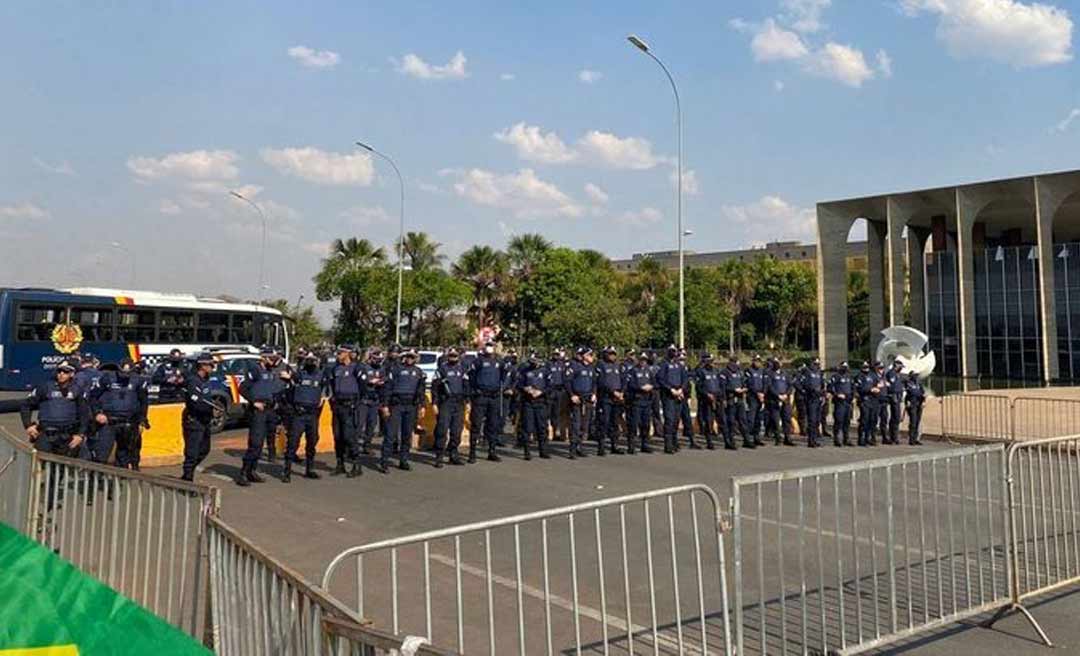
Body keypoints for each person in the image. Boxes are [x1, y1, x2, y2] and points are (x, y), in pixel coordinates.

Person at [237, 346, 291, 486]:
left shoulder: (270, 371)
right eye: (271, 358)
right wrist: (254, 401)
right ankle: (243, 472)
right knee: (255, 443)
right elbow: (242, 388)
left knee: (261, 445)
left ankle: (252, 471)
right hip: (258, 411)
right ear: (263, 358)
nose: (273, 361)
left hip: (270, 410)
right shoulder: (255, 370)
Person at [21, 360, 89, 458]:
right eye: (59, 371)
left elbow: (84, 414)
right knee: (41, 464)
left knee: (64, 468)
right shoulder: (45, 387)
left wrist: (80, 435)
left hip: (68, 436)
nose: (61, 374)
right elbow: (26, 405)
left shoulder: (77, 390)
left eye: (65, 371)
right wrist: (28, 425)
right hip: (46, 435)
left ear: (72, 374)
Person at [88, 358, 148, 467]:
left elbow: (143, 402)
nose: (124, 376)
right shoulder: (107, 378)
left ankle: (121, 481)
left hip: (128, 422)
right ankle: (97, 481)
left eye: (128, 373)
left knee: (124, 455)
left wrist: (142, 419)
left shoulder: (139, 381)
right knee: (102, 454)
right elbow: (93, 397)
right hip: (109, 421)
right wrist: (97, 413)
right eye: (122, 372)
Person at [380, 348, 427, 472]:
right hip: (396, 405)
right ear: (404, 357)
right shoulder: (396, 370)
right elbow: (388, 388)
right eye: (408, 356)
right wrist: (385, 405)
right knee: (391, 434)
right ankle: (384, 461)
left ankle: (403, 460)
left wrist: (422, 406)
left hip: (411, 406)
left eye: (412, 357)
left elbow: (421, 391)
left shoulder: (419, 372)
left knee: (407, 435)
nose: (410, 359)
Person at [284, 353, 325, 482]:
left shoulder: (321, 375)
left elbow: (325, 390)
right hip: (299, 414)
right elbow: (289, 388)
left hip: (312, 414)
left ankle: (310, 469)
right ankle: (287, 471)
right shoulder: (299, 374)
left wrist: (322, 398)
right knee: (293, 442)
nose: (311, 364)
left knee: (312, 442)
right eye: (309, 361)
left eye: (313, 361)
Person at [326, 345, 365, 478]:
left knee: (349, 436)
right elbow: (331, 384)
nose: (338, 355)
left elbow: (363, 386)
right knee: (337, 436)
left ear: (348, 353)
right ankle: (340, 464)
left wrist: (357, 402)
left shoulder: (357, 367)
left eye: (340, 353)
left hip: (350, 406)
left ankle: (356, 464)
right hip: (337, 405)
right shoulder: (335, 369)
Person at [179, 353, 219, 481]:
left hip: (205, 420)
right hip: (194, 419)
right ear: (202, 365)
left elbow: (207, 399)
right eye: (211, 365)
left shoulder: (206, 379)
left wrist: (213, 410)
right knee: (192, 452)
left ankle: (187, 473)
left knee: (205, 449)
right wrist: (210, 410)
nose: (213, 367)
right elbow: (196, 403)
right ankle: (187, 479)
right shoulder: (193, 381)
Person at [468, 342, 504, 463]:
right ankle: (472, 453)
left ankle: (492, 451)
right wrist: (475, 391)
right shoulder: (478, 361)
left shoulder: (499, 361)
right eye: (488, 345)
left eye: (492, 345)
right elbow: (471, 377)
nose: (489, 347)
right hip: (480, 396)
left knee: (493, 425)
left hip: (494, 397)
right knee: (476, 424)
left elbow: (504, 376)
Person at [432, 347, 468, 467]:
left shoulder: (462, 368)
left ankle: (453, 454)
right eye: (451, 355)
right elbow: (435, 388)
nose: (453, 358)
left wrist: (467, 401)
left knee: (456, 431)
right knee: (442, 429)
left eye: (455, 355)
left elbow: (466, 385)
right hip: (445, 402)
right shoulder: (442, 369)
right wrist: (435, 403)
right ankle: (439, 456)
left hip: (459, 402)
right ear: (448, 356)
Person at [517, 352, 550, 460]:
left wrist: (541, 392)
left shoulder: (545, 371)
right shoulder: (525, 370)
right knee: (527, 427)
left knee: (542, 427)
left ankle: (543, 451)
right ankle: (527, 451)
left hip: (541, 401)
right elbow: (519, 384)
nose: (536, 364)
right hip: (528, 402)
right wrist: (526, 389)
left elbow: (550, 386)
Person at [656, 346, 688, 454]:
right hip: (668, 396)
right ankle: (668, 445)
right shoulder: (663, 364)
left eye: (675, 351)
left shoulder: (679, 365)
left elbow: (685, 378)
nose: (673, 353)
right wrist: (671, 390)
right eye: (671, 351)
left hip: (678, 395)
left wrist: (681, 390)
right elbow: (660, 379)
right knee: (669, 420)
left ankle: (675, 442)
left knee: (676, 420)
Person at [566, 347, 597, 459]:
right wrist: (572, 395)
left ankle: (580, 446)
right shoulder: (574, 366)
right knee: (576, 424)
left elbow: (594, 382)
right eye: (590, 355)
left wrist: (594, 393)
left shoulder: (591, 368)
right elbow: (567, 381)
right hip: (577, 399)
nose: (592, 357)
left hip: (587, 399)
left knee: (584, 425)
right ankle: (572, 449)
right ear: (584, 356)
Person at [595, 347, 627, 455]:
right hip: (606, 397)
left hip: (617, 398)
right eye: (610, 354)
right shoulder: (601, 365)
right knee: (604, 421)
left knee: (615, 422)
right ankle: (601, 447)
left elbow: (624, 379)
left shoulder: (619, 365)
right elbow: (601, 382)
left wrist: (622, 392)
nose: (612, 356)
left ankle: (615, 445)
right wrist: (613, 391)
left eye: (614, 354)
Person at [625, 351, 656, 454]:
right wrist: (641, 388)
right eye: (641, 360)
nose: (643, 362)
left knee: (645, 424)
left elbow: (654, 383)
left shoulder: (649, 371)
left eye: (645, 360)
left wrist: (651, 387)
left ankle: (645, 444)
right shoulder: (632, 371)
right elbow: (630, 384)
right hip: (636, 400)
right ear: (638, 360)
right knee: (634, 424)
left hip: (646, 400)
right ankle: (631, 446)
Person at [723, 356, 754, 449]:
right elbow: (723, 387)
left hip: (740, 399)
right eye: (736, 362)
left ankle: (747, 440)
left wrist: (744, 389)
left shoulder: (740, 372)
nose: (737, 364)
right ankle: (730, 441)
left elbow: (745, 383)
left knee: (743, 421)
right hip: (731, 399)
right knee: (731, 421)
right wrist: (733, 390)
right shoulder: (724, 373)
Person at [358, 348, 385, 456]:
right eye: (375, 358)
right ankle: (352, 447)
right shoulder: (364, 367)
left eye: (379, 359)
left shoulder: (382, 369)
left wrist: (381, 383)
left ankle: (367, 446)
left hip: (375, 400)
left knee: (372, 425)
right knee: (359, 425)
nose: (377, 360)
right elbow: (360, 382)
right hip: (363, 400)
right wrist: (369, 382)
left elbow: (384, 381)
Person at [693, 353, 721, 450]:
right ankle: (709, 441)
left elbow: (719, 385)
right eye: (709, 361)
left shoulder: (716, 371)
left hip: (716, 398)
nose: (711, 363)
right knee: (707, 420)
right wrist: (706, 394)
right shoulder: (700, 371)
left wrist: (719, 395)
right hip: (705, 399)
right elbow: (698, 386)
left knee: (720, 419)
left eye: (712, 361)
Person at [766, 357, 795, 446]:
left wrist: (786, 394)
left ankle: (787, 438)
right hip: (774, 400)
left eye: (778, 362)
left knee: (787, 419)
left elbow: (790, 386)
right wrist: (778, 395)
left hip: (785, 399)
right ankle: (778, 438)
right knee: (776, 420)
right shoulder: (769, 374)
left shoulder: (785, 374)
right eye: (775, 362)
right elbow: (769, 386)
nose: (777, 364)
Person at [828, 362, 854, 446]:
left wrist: (853, 396)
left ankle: (846, 439)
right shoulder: (835, 376)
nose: (845, 369)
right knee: (839, 420)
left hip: (848, 401)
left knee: (847, 421)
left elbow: (853, 387)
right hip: (839, 402)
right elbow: (830, 387)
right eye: (843, 367)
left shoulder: (849, 376)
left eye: (846, 367)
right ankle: (837, 439)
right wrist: (837, 394)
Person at [801, 358, 825, 448]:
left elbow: (822, 384)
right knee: (812, 420)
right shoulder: (808, 373)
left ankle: (815, 439)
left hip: (818, 399)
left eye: (818, 364)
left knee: (817, 421)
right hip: (811, 399)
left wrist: (823, 394)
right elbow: (806, 385)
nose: (817, 365)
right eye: (815, 364)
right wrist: (813, 390)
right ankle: (811, 441)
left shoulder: (819, 373)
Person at [545, 349, 568, 442]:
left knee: (557, 413)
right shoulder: (548, 364)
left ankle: (555, 433)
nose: (556, 356)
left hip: (559, 390)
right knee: (548, 412)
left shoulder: (562, 364)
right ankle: (546, 432)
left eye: (557, 354)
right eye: (554, 354)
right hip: (551, 390)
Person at [856, 361, 881, 447]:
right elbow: (859, 389)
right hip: (864, 400)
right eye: (864, 367)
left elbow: (877, 384)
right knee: (864, 420)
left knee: (872, 420)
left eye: (867, 366)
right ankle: (861, 439)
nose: (866, 368)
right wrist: (870, 390)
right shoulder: (859, 376)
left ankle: (869, 438)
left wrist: (877, 388)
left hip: (873, 400)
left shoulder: (872, 375)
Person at [746, 355, 767, 447]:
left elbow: (766, 383)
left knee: (759, 418)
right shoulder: (748, 371)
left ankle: (756, 437)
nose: (757, 363)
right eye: (755, 361)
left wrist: (763, 393)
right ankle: (748, 439)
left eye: (759, 361)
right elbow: (749, 384)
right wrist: (757, 393)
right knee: (751, 419)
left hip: (761, 397)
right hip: (752, 397)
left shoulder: (763, 371)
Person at [883, 360, 906, 445]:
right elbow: (892, 387)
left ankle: (895, 436)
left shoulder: (898, 375)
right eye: (900, 367)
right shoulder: (891, 373)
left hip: (898, 397)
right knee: (895, 417)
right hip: (893, 397)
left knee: (897, 418)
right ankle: (893, 437)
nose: (901, 369)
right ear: (896, 366)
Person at [904, 372, 926, 445]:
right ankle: (911, 439)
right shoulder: (909, 383)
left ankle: (916, 438)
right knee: (913, 421)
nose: (916, 377)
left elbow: (923, 393)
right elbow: (912, 392)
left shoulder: (919, 384)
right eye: (914, 376)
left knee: (917, 422)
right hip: (912, 404)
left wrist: (923, 401)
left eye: (916, 376)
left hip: (919, 404)